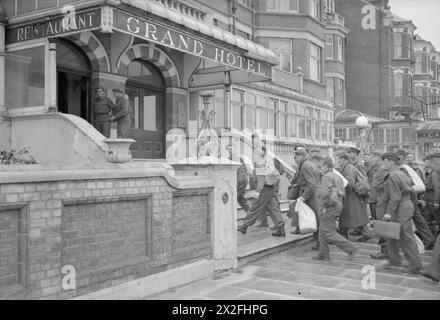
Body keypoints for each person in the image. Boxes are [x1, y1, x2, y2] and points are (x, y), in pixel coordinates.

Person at [381, 152, 423, 274]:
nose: (384, 163)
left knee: (405, 236)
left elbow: (395, 197)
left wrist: (389, 212)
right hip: (404, 205)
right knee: (391, 234)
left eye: (386, 161)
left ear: (391, 162)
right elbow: (412, 190)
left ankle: (415, 265)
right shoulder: (402, 173)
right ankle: (394, 260)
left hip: (400, 207)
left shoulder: (393, 176)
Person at [313, 157, 360, 261]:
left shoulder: (327, 177)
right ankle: (323, 253)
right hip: (338, 204)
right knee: (322, 230)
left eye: (321, 167)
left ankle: (351, 248)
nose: (320, 169)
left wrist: (323, 207)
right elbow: (343, 189)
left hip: (330, 206)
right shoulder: (336, 175)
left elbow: (325, 193)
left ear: (325, 166)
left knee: (328, 232)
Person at [398, 149, 435, 250]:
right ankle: (429, 240)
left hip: (409, 195)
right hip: (412, 194)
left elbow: (407, 184)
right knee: (417, 218)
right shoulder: (407, 167)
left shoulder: (403, 168)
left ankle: (424, 241)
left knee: (414, 218)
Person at [237, 163, 285, 237]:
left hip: (264, 190)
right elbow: (277, 177)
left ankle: (244, 226)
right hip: (271, 188)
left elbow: (261, 181)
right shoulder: (268, 165)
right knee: (273, 209)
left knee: (255, 208)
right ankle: (281, 229)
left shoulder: (259, 167)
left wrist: (257, 192)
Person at [288, 147, 321, 249]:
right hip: (314, 195)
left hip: (311, 197)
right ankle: (319, 244)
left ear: (302, 156)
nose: (295, 159)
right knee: (316, 219)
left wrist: (303, 197)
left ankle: (321, 245)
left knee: (317, 220)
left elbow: (311, 184)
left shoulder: (305, 166)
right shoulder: (308, 164)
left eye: (296, 157)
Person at [338, 152, 372, 240]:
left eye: (340, 159)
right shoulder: (348, 167)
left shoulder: (349, 168)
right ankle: (344, 233)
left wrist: (343, 191)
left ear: (344, 160)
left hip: (350, 196)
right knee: (355, 217)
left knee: (356, 217)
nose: (338, 161)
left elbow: (350, 183)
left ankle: (366, 234)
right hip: (351, 196)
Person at [421, 151, 440, 283]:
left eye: (432, 162)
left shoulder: (435, 173)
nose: (431, 165)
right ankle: (433, 270)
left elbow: (438, 189)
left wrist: (437, 202)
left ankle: (433, 270)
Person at [347, 147, 371, 241]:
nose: (350, 154)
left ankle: (366, 233)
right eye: (349, 153)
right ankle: (357, 230)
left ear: (356, 154)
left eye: (352, 153)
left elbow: (363, 178)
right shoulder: (352, 163)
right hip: (355, 191)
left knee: (359, 213)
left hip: (358, 191)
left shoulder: (358, 164)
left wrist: (359, 188)